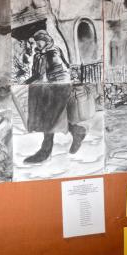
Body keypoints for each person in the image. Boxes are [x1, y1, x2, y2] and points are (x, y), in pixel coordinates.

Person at [22, 30, 87, 164]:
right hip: (50, 88)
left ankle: (45, 151)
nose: (37, 43)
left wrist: (29, 82)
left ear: (46, 40)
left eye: (40, 40)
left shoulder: (52, 53)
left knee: (50, 118)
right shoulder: (40, 54)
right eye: (36, 41)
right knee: (53, 118)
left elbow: (56, 72)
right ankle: (76, 131)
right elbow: (39, 74)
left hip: (59, 89)